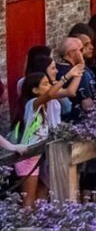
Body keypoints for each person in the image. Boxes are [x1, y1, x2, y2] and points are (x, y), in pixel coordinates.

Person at [10, 70, 62, 207]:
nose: (49, 86)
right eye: (45, 84)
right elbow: (51, 94)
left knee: (40, 195)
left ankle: (36, 223)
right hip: (27, 159)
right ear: (35, 90)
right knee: (29, 199)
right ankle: (25, 226)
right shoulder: (32, 104)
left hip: (36, 157)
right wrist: (67, 77)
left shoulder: (44, 108)